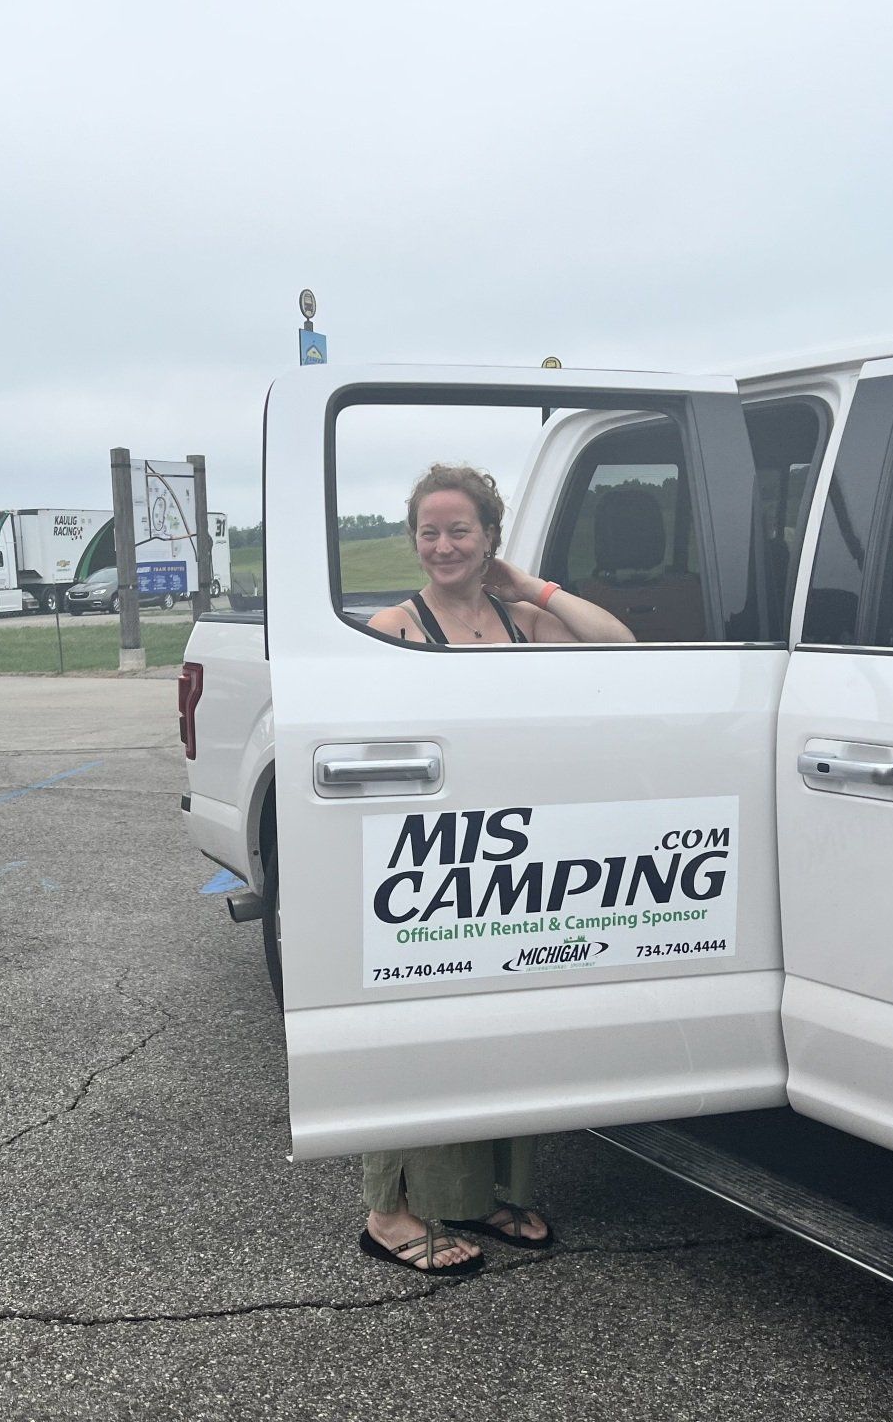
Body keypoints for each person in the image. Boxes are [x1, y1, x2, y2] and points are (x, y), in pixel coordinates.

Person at [355, 464, 632, 1277]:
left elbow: (620, 645)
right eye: (429, 531)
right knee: (418, 1036)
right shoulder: (393, 627)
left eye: (459, 530)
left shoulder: (520, 621)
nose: (442, 545)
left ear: (489, 539)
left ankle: (485, 1194)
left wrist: (536, 589)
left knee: (504, 1030)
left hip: (510, 858)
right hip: (429, 866)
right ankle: (388, 1211)